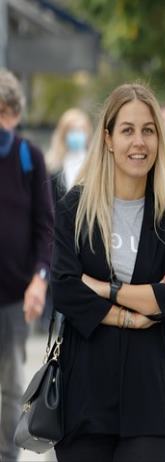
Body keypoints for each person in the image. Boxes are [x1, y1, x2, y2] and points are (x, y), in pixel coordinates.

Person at [51, 83, 165, 462]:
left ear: (159, 140)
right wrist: (133, 313)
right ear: (109, 138)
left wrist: (102, 288)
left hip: (149, 401)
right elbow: (64, 289)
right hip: (84, 398)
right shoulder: (75, 208)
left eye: (148, 130)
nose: (139, 142)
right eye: (127, 130)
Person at [0, 69, 53, 462]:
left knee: (11, 384)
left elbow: (45, 227)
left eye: (5, 112)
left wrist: (40, 278)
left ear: (15, 115)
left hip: (16, 294)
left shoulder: (28, 158)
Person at [46, 108, 92, 204]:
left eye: (80, 130)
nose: (77, 134)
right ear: (63, 134)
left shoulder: (95, 163)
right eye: (72, 131)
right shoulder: (53, 166)